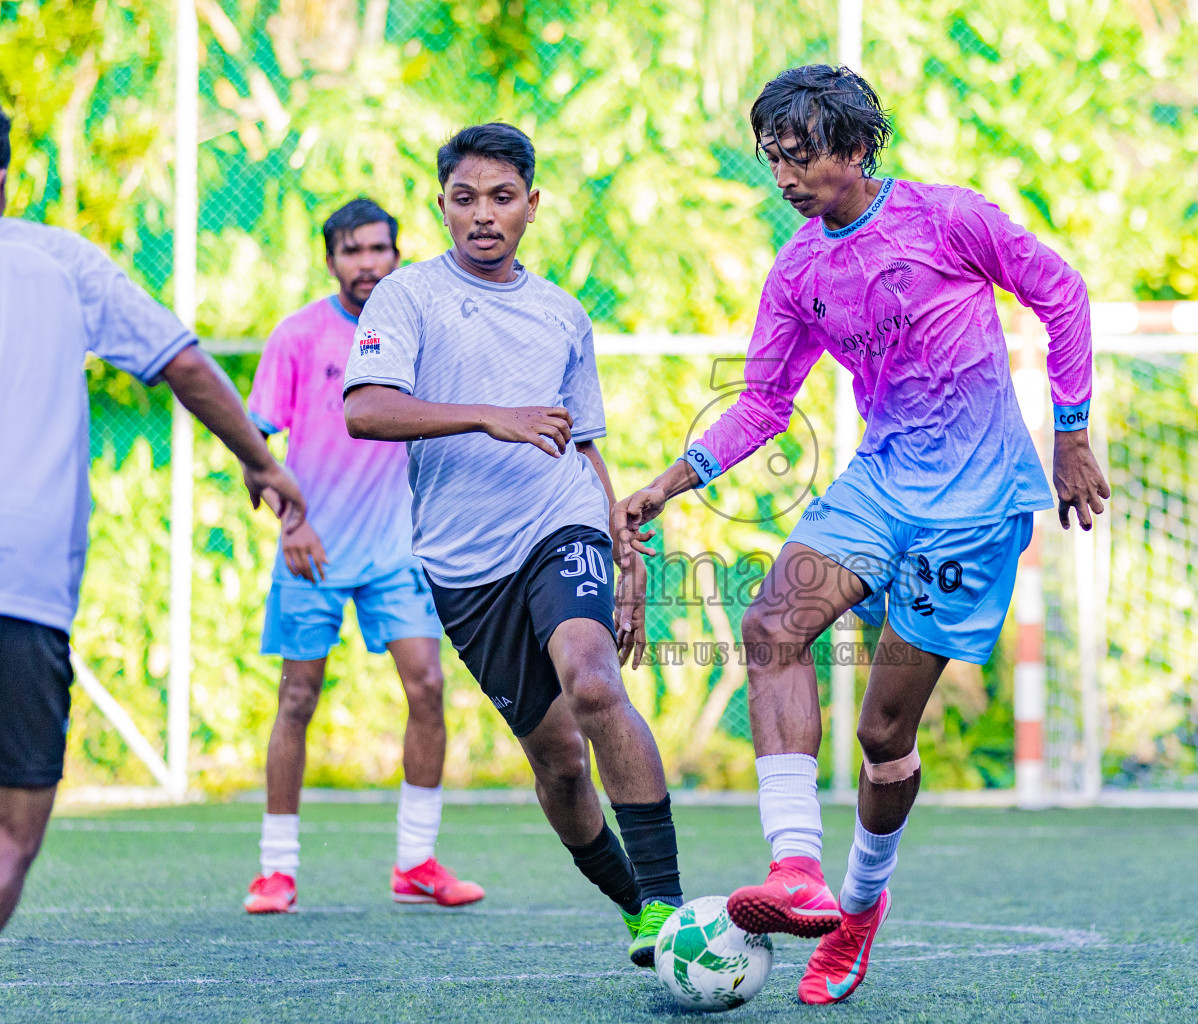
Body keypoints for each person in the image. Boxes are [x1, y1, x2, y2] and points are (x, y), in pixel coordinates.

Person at [613, 65, 1109, 1004]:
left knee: (885, 738)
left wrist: (1072, 433)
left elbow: (1065, 295)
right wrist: (672, 482)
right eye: (773, 159)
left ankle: (859, 905)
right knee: (771, 626)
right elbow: (763, 401)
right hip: (880, 485)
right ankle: (793, 867)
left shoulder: (948, 219)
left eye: (799, 157)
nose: (785, 178)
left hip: (975, 507)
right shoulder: (799, 269)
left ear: (854, 147)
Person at [342, 123, 684, 966]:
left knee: (594, 680)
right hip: (464, 566)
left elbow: (584, 442)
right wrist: (490, 414)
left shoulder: (562, 314)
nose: (483, 216)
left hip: (558, 522)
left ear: (533, 205)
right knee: (560, 762)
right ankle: (635, 904)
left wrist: (627, 553)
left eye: (502, 198)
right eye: (465, 199)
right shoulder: (406, 297)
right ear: (442, 206)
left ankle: (674, 910)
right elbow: (365, 409)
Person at [0, 105, 307, 932]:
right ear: (4, 175)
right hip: (22, 585)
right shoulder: (59, 260)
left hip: (26, 586)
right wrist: (261, 458)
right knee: (11, 834)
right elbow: (183, 363)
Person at [242, 199, 482, 914]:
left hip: (396, 552)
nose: (367, 263)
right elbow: (254, 449)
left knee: (429, 688)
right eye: (352, 251)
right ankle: (276, 870)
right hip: (310, 551)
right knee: (296, 699)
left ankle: (416, 863)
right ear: (330, 261)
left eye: (379, 249)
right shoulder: (297, 336)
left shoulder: (419, 334)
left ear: (398, 255)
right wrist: (291, 526)